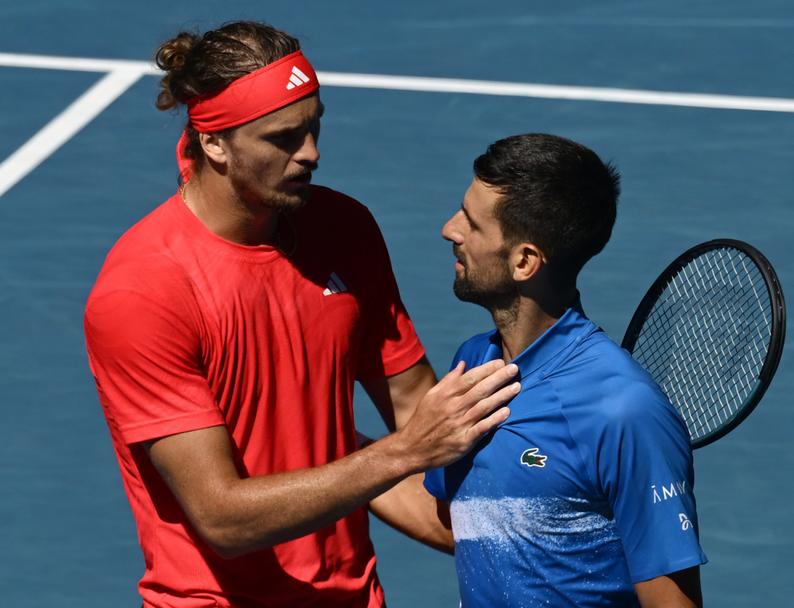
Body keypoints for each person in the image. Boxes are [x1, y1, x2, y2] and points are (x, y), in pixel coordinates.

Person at [83, 21, 519, 608]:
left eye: (314, 127)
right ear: (215, 143)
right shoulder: (144, 291)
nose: (310, 153)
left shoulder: (344, 228)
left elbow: (416, 409)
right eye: (284, 138)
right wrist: (404, 452)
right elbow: (223, 519)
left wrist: (532, 535)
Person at [378, 133, 708, 607]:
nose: (449, 229)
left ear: (524, 261)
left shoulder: (622, 412)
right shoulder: (474, 364)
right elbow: (467, 526)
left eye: (471, 223)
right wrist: (333, 449)